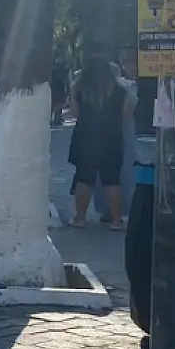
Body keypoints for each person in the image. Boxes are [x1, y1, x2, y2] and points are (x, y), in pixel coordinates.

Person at [68, 53, 134, 230]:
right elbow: (126, 114)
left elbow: (75, 113)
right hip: (111, 138)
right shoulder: (120, 91)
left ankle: (80, 219)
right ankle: (115, 220)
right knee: (111, 180)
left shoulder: (79, 88)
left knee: (84, 178)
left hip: (85, 138)